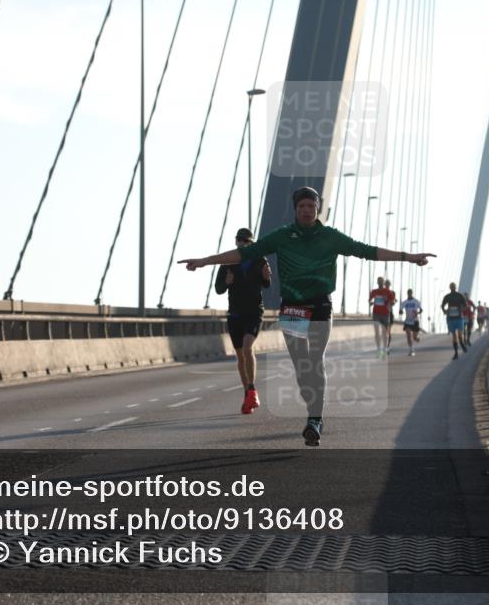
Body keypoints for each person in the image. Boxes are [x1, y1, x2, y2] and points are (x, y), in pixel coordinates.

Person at [180, 186, 434, 447]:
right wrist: (204, 261)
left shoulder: (330, 237)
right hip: (292, 307)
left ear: (317, 208)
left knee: (315, 360)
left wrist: (408, 258)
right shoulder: (281, 236)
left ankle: (315, 419)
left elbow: (366, 250)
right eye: (301, 206)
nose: (306, 210)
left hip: (321, 305)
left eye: (310, 206)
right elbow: (244, 254)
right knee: (302, 366)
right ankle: (312, 405)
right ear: (295, 209)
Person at [214, 227, 271, 414]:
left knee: (248, 347)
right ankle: (247, 394)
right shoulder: (227, 263)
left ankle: (252, 389)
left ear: (251, 243)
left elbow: (266, 284)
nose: (242, 243)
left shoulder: (260, 260)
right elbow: (219, 289)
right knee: (240, 355)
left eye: (246, 241)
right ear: (236, 241)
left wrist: (266, 277)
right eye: (239, 240)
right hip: (235, 313)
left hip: (254, 311)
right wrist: (227, 282)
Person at [441, 283, 468, 359]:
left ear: (456, 287)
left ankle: (462, 344)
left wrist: (461, 309)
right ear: (450, 287)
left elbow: (465, 305)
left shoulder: (460, 296)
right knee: (454, 336)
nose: (452, 288)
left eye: (454, 286)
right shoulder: (447, 296)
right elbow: (442, 305)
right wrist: (444, 311)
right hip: (451, 318)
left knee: (459, 334)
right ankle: (456, 353)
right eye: (451, 287)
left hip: (459, 317)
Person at [369, 277, 393, 359]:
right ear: (377, 282)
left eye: (381, 281)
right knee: (377, 333)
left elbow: (392, 301)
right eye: (378, 281)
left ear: (383, 282)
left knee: (384, 333)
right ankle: (379, 350)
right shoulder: (374, 291)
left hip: (385, 314)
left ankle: (385, 350)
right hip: (376, 313)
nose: (379, 283)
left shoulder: (387, 291)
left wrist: (387, 301)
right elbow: (370, 300)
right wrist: (371, 302)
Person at [399, 289, 422, 356]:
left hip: (415, 321)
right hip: (408, 321)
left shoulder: (416, 301)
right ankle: (411, 350)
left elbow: (421, 310)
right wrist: (401, 312)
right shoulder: (405, 302)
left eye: (410, 293)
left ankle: (417, 338)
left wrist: (417, 312)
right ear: (407, 294)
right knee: (408, 335)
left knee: (414, 338)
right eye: (408, 293)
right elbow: (400, 311)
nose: (409, 294)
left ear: (412, 293)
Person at [383, 279, 396, 351]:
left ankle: (387, 347)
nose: (387, 285)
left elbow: (393, 302)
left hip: (389, 313)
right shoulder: (381, 292)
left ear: (389, 285)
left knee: (388, 331)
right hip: (381, 313)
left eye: (388, 284)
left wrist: (389, 301)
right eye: (386, 284)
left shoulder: (392, 292)